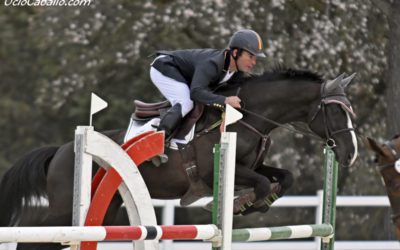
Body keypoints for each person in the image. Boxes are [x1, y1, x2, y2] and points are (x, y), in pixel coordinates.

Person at [150, 29, 266, 138]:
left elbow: (224, 97)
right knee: (186, 102)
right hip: (165, 67)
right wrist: (225, 101)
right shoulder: (212, 64)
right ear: (236, 52)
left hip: (183, 75)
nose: (254, 62)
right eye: (250, 56)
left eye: (255, 58)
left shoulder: (237, 72)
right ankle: (158, 139)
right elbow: (196, 93)